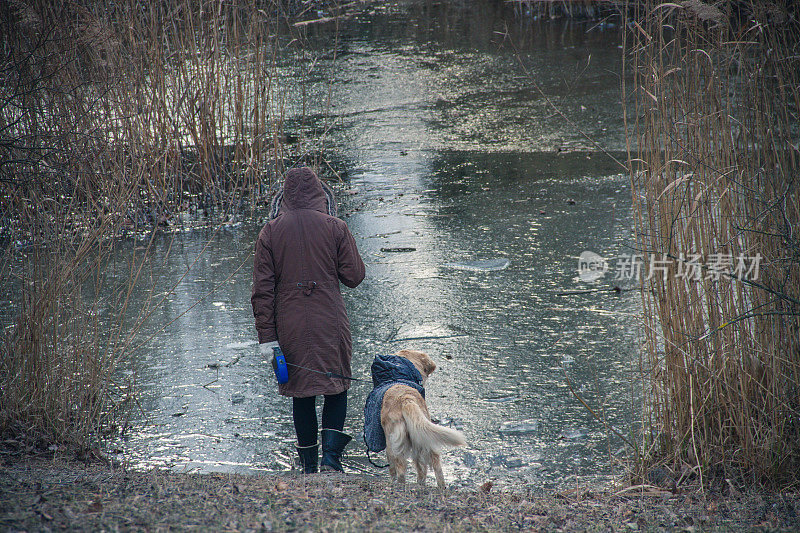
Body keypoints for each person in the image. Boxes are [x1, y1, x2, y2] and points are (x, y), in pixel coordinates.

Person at [252, 167, 365, 474]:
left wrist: (267, 338)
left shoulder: (270, 232)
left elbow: (262, 291)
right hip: (330, 321)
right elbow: (354, 277)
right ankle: (331, 460)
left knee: (301, 394)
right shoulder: (336, 227)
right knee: (336, 387)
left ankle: (308, 467)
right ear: (320, 193)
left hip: (289, 327)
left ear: (284, 197)